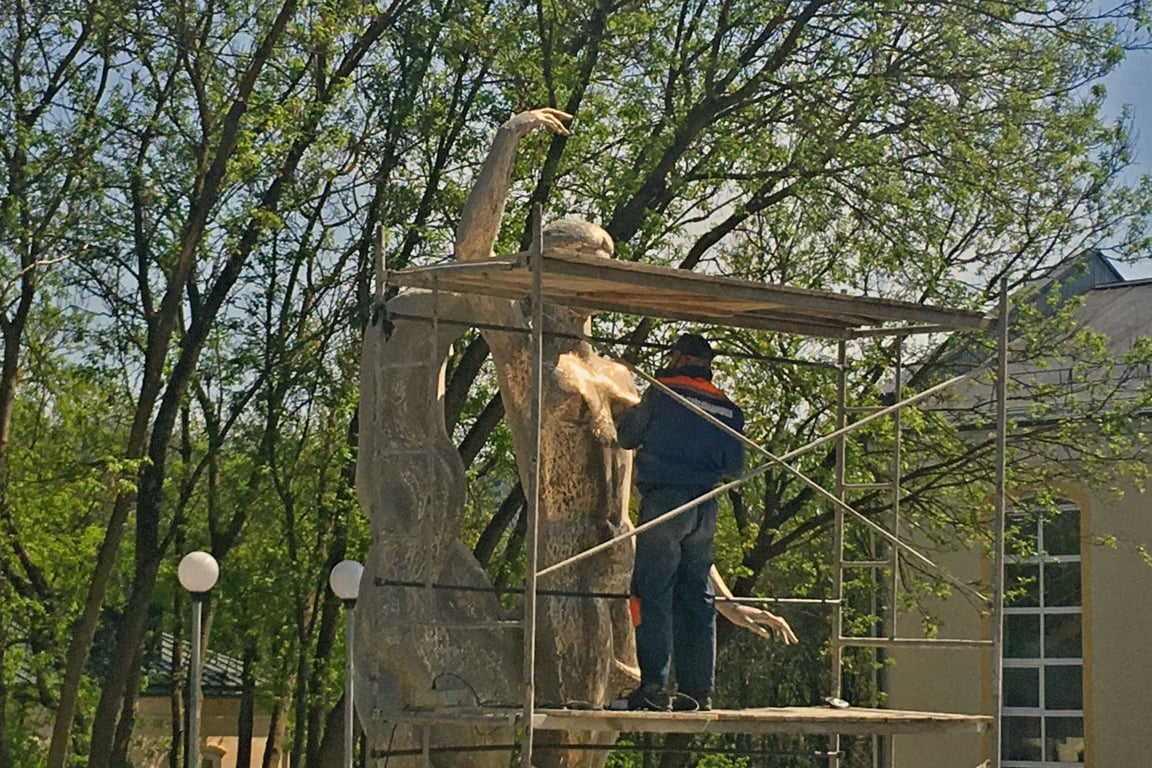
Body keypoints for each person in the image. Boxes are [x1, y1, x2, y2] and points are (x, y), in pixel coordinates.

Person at [611, 333, 798, 712]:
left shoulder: (664, 392)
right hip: (705, 508)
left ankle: (653, 690)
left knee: (651, 594)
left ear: (678, 358)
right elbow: (735, 468)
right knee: (698, 597)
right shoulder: (728, 408)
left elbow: (626, 437)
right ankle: (698, 693)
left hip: (665, 501)